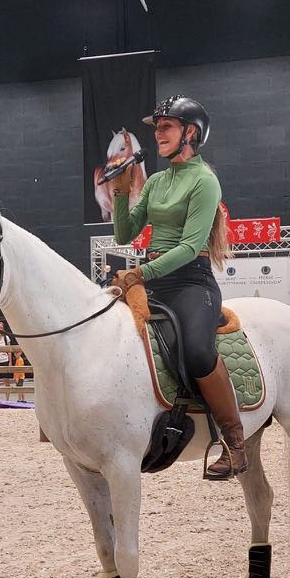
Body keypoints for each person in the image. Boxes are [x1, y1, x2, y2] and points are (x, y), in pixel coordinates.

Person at [108, 96, 246, 479]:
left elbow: (188, 247)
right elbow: (124, 234)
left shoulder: (205, 181)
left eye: (166, 127)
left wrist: (141, 273)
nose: (158, 134)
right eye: (157, 128)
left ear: (191, 132)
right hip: (154, 278)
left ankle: (235, 444)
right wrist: (120, 192)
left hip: (191, 281)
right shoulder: (155, 181)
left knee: (199, 352)